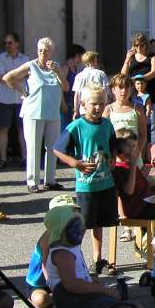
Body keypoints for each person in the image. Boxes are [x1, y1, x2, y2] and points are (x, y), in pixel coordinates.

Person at [43, 205, 145, 308]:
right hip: (74, 299)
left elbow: (75, 277)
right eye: (74, 227)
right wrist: (104, 290)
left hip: (78, 298)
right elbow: (71, 284)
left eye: (81, 225)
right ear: (60, 230)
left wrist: (92, 281)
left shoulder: (70, 248)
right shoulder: (62, 253)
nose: (81, 230)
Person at [53, 84, 118, 274]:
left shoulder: (107, 124)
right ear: (83, 104)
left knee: (100, 223)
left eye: (101, 104)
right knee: (83, 224)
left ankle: (97, 260)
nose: (97, 108)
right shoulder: (76, 126)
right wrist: (75, 163)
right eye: (93, 104)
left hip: (105, 183)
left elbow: (112, 143)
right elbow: (57, 149)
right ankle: (76, 259)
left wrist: (113, 157)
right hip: (86, 186)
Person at [3, 37, 68, 193]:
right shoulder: (31, 65)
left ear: (51, 52)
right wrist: (22, 91)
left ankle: (50, 180)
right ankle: (32, 181)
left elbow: (65, 88)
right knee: (33, 146)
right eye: (40, 50)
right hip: (33, 112)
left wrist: (58, 72)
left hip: (52, 112)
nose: (43, 54)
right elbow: (8, 77)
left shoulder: (56, 67)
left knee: (53, 147)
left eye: (46, 51)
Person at [25, 194, 82, 308]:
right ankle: (61, 298)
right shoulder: (49, 236)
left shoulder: (73, 233)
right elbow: (45, 265)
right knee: (41, 300)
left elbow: (77, 257)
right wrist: (55, 288)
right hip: (40, 283)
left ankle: (68, 297)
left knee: (91, 284)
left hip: (63, 278)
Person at [0, 32, 29, 169]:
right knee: (3, 129)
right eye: (6, 43)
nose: (7, 45)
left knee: (23, 129)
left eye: (10, 42)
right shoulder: (0, 58)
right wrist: (17, 77)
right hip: (4, 98)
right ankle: (3, 158)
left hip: (21, 99)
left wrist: (10, 76)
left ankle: (25, 158)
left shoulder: (25, 59)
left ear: (17, 43)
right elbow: (0, 78)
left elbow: (28, 75)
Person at [111, 131, 155, 222]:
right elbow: (128, 191)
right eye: (128, 151)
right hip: (137, 208)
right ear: (118, 153)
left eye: (133, 147)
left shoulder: (129, 165)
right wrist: (133, 166)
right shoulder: (119, 169)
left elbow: (141, 185)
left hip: (147, 201)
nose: (132, 152)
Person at [121, 33, 155, 144]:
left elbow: (154, 72)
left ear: (146, 45)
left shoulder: (152, 57)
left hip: (151, 93)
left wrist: (139, 78)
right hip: (136, 95)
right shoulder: (132, 58)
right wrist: (127, 59)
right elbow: (123, 74)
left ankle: (154, 149)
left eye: (142, 45)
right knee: (137, 122)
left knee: (153, 123)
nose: (139, 48)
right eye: (136, 45)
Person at [103, 74, 147, 168]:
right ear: (113, 90)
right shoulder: (108, 109)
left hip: (133, 153)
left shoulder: (137, 109)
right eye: (120, 87)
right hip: (115, 154)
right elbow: (104, 133)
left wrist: (137, 151)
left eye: (127, 87)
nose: (124, 91)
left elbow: (143, 134)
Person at [72, 51, 110, 120]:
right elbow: (106, 92)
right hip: (99, 108)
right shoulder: (101, 74)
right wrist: (106, 106)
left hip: (84, 109)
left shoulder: (79, 76)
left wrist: (75, 110)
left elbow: (77, 95)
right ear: (93, 60)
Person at [62, 44, 86, 128]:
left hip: (73, 103)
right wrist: (63, 103)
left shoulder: (75, 68)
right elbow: (60, 85)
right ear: (77, 55)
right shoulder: (65, 67)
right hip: (66, 102)